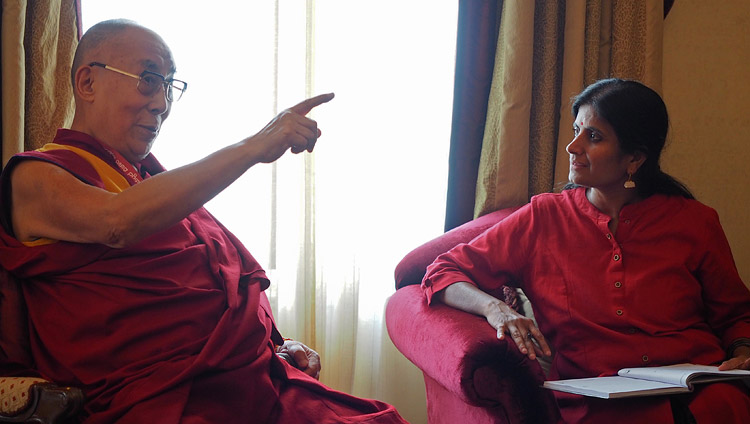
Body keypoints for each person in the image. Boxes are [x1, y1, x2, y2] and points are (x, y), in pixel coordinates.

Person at [0, 19, 407, 423]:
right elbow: (116, 223)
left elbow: (218, 281)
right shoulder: (35, 176)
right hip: (162, 399)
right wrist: (253, 146)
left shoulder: (152, 184)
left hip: (242, 379)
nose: (161, 103)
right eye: (148, 79)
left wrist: (273, 344)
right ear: (87, 83)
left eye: (169, 86)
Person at [422, 78, 750, 423]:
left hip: (703, 389)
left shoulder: (695, 222)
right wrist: (497, 310)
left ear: (635, 158)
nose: (572, 147)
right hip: (603, 399)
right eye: (577, 130)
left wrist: (742, 351)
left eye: (593, 137)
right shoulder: (542, 219)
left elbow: (735, 313)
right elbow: (443, 272)